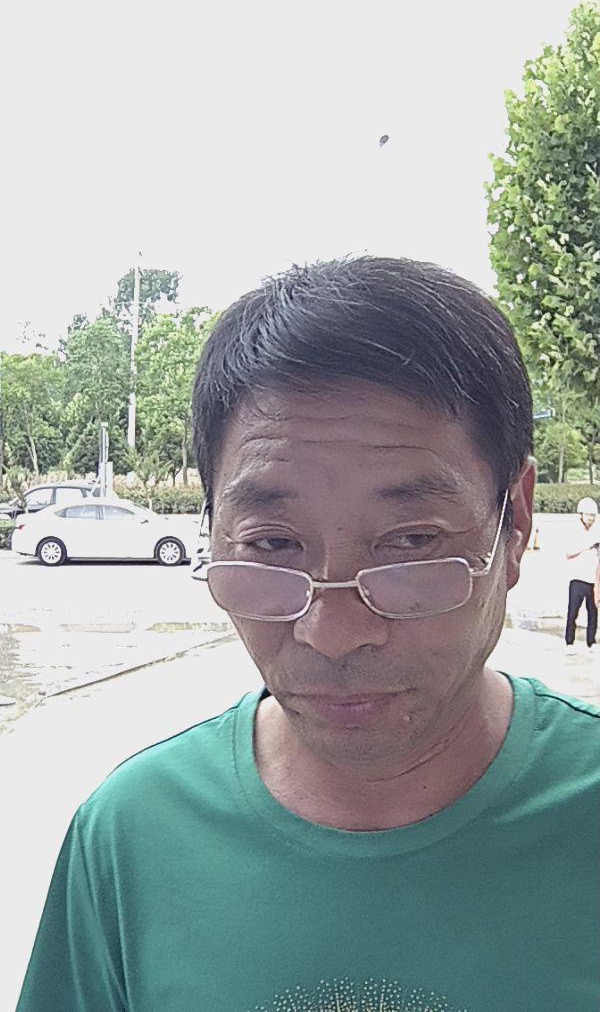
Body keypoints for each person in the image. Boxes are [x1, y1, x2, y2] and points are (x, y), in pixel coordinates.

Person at [17, 257, 600, 1011]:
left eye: (411, 542)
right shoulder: (131, 837)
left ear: (513, 523)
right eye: (272, 544)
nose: (333, 634)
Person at [565, 496, 600, 654]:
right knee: (573, 612)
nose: (590, 518)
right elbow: (568, 553)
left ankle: (591, 642)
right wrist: (587, 546)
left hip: (592, 580)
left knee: (593, 613)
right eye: (588, 515)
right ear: (581, 515)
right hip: (577, 579)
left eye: (593, 515)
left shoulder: (596, 533)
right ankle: (569, 642)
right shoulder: (574, 532)